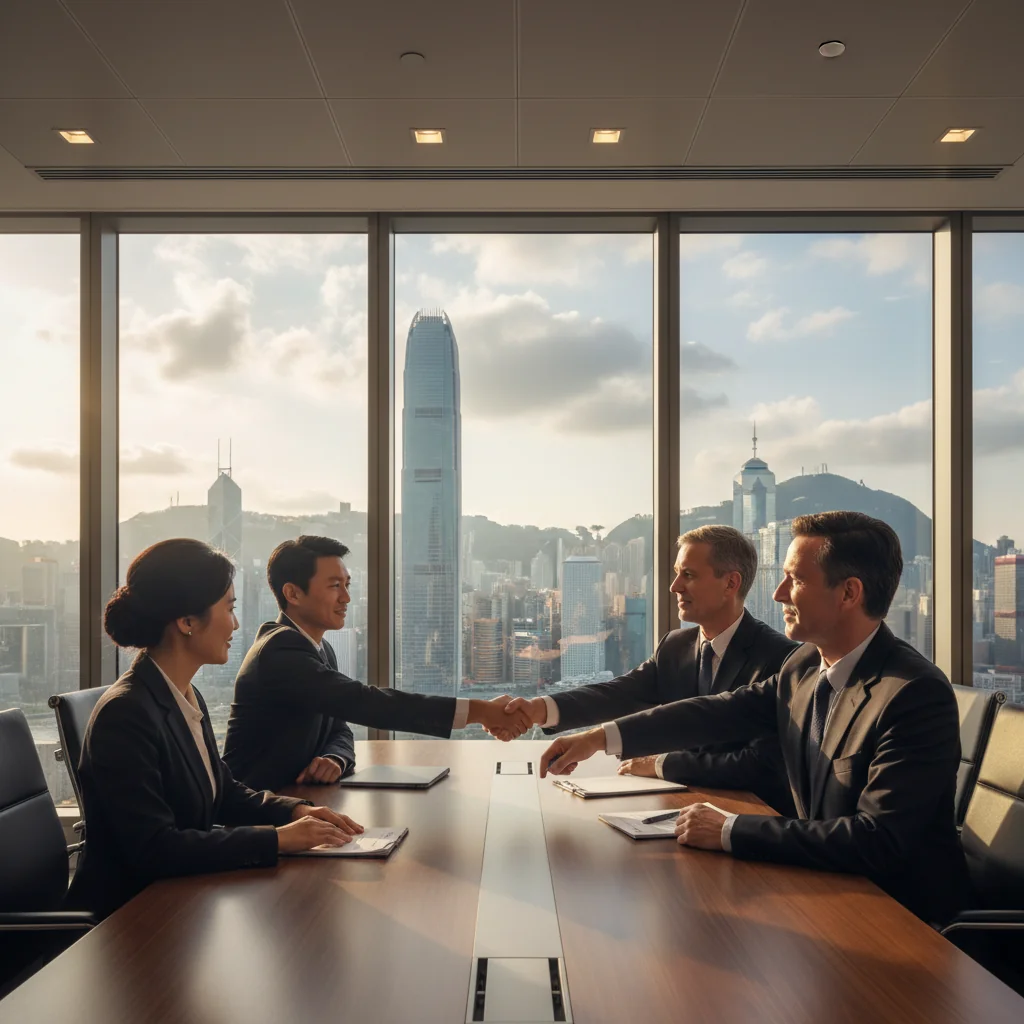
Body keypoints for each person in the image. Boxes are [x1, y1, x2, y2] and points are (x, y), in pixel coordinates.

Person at [539, 511, 969, 925]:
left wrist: (731, 830)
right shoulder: (803, 666)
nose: (779, 593)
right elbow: (717, 713)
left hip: (902, 919)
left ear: (849, 593)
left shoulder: (913, 695)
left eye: (796, 580)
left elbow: (879, 841)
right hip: (821, 889)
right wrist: (599, 737)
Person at [69, 539, 364, 920]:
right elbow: (154, 848)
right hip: (126, 923)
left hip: (180, 905)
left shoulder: (182, 695)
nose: (236, 623)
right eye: (229, 607)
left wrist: (298, 812)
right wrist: (276, 840)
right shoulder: (125, 714)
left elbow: (222, 793)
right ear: (187, 621)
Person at [505, 526, 797, 812]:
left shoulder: (780, 659)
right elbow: (621, 693)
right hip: (676, 809)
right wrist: (539, 709)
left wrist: (659, 764)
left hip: (744, 820)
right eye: (676, 573)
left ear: (731, 583)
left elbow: (758, 765)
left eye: (689, 575)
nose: (675, 586)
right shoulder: (675, 645)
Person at [223, 536, 531, 792]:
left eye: (347, 584)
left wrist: (335, 758)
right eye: (334, 586)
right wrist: (480, 711)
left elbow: (339, 728)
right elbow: (364, 703)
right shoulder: (280, 650)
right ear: (293, 593)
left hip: (300, 804)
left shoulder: (318, 648)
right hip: (254, 820)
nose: (346, 597)